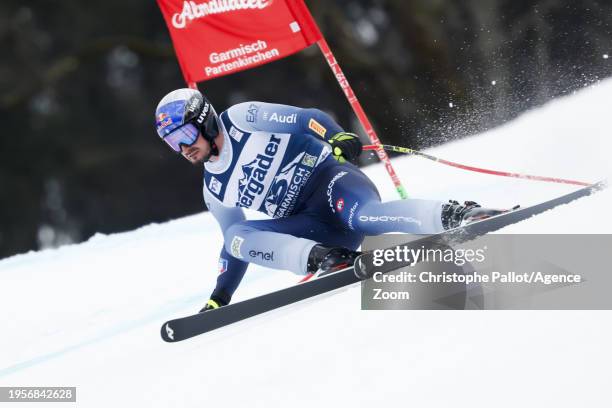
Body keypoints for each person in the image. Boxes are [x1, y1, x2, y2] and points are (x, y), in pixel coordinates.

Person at [155, 88, 504, 312]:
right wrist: (220, 297)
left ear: (204, 120)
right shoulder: (213, 188)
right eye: (173, 143)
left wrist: (338, 135)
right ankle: (325, 258)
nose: (183, 148)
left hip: (332, 183)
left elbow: (307, 119)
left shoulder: (242, 119)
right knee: (235, 236)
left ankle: (456, 214)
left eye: (184, 134)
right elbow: (236, 244)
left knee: (365, 218)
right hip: (313, 227)